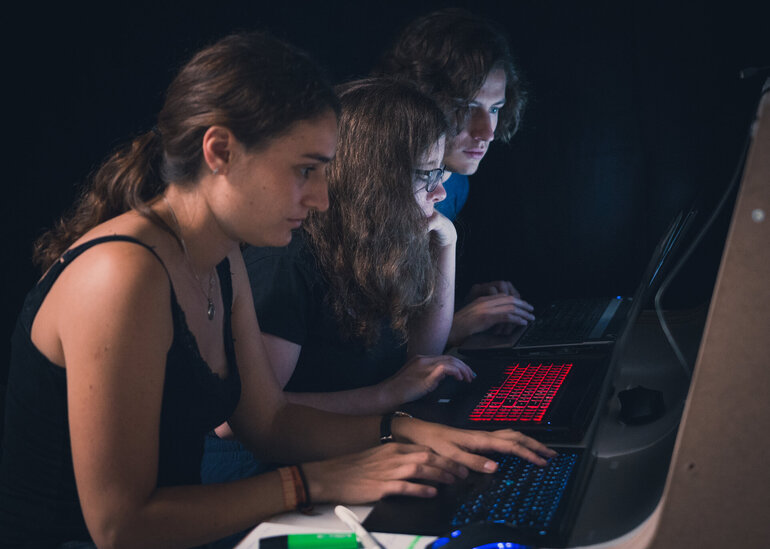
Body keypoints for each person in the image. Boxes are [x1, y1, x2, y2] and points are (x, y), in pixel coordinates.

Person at [0, 32, 555, 549]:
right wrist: (310, 482)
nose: (320, 197)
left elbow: (269, 423)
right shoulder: (121, 275)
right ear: (219, 152)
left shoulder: (220, 258)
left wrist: (406, 432)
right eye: (305, 170)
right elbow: (121, 526)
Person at [240, 77, 472, 416]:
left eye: (441, 175)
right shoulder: (286, 262)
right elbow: (241, 419)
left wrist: (446, 244)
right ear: (374, 180)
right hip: (276, 464)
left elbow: (423, 363)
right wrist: (385, 396)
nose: (439, 194)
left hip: (349, 447)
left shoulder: (378, 242)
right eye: (427, 176)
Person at [374, 7, 537, 347]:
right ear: (418, 98)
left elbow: (404, 309)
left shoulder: (456, 183)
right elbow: (358, 345)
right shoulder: (376, 187)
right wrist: (455, 325)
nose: (487, 132)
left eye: (495, 109)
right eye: (466, 107)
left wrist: (457, 305)